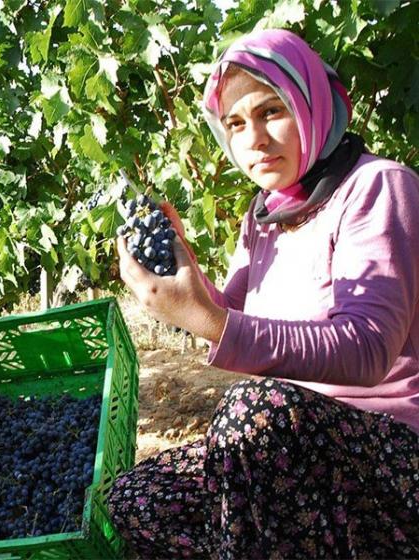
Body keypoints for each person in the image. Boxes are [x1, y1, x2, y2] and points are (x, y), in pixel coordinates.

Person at [108, 29, 419, 558]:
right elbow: (231, 316)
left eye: (271, 112)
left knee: (255, 414)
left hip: (390, 457)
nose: (252, 138)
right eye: (234, 123)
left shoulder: (377, 187)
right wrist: (184, 266)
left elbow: (368, 350)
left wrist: (209, 322)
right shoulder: (267, 215)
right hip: (289, 453)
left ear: (311, 106)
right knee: (135, 498)